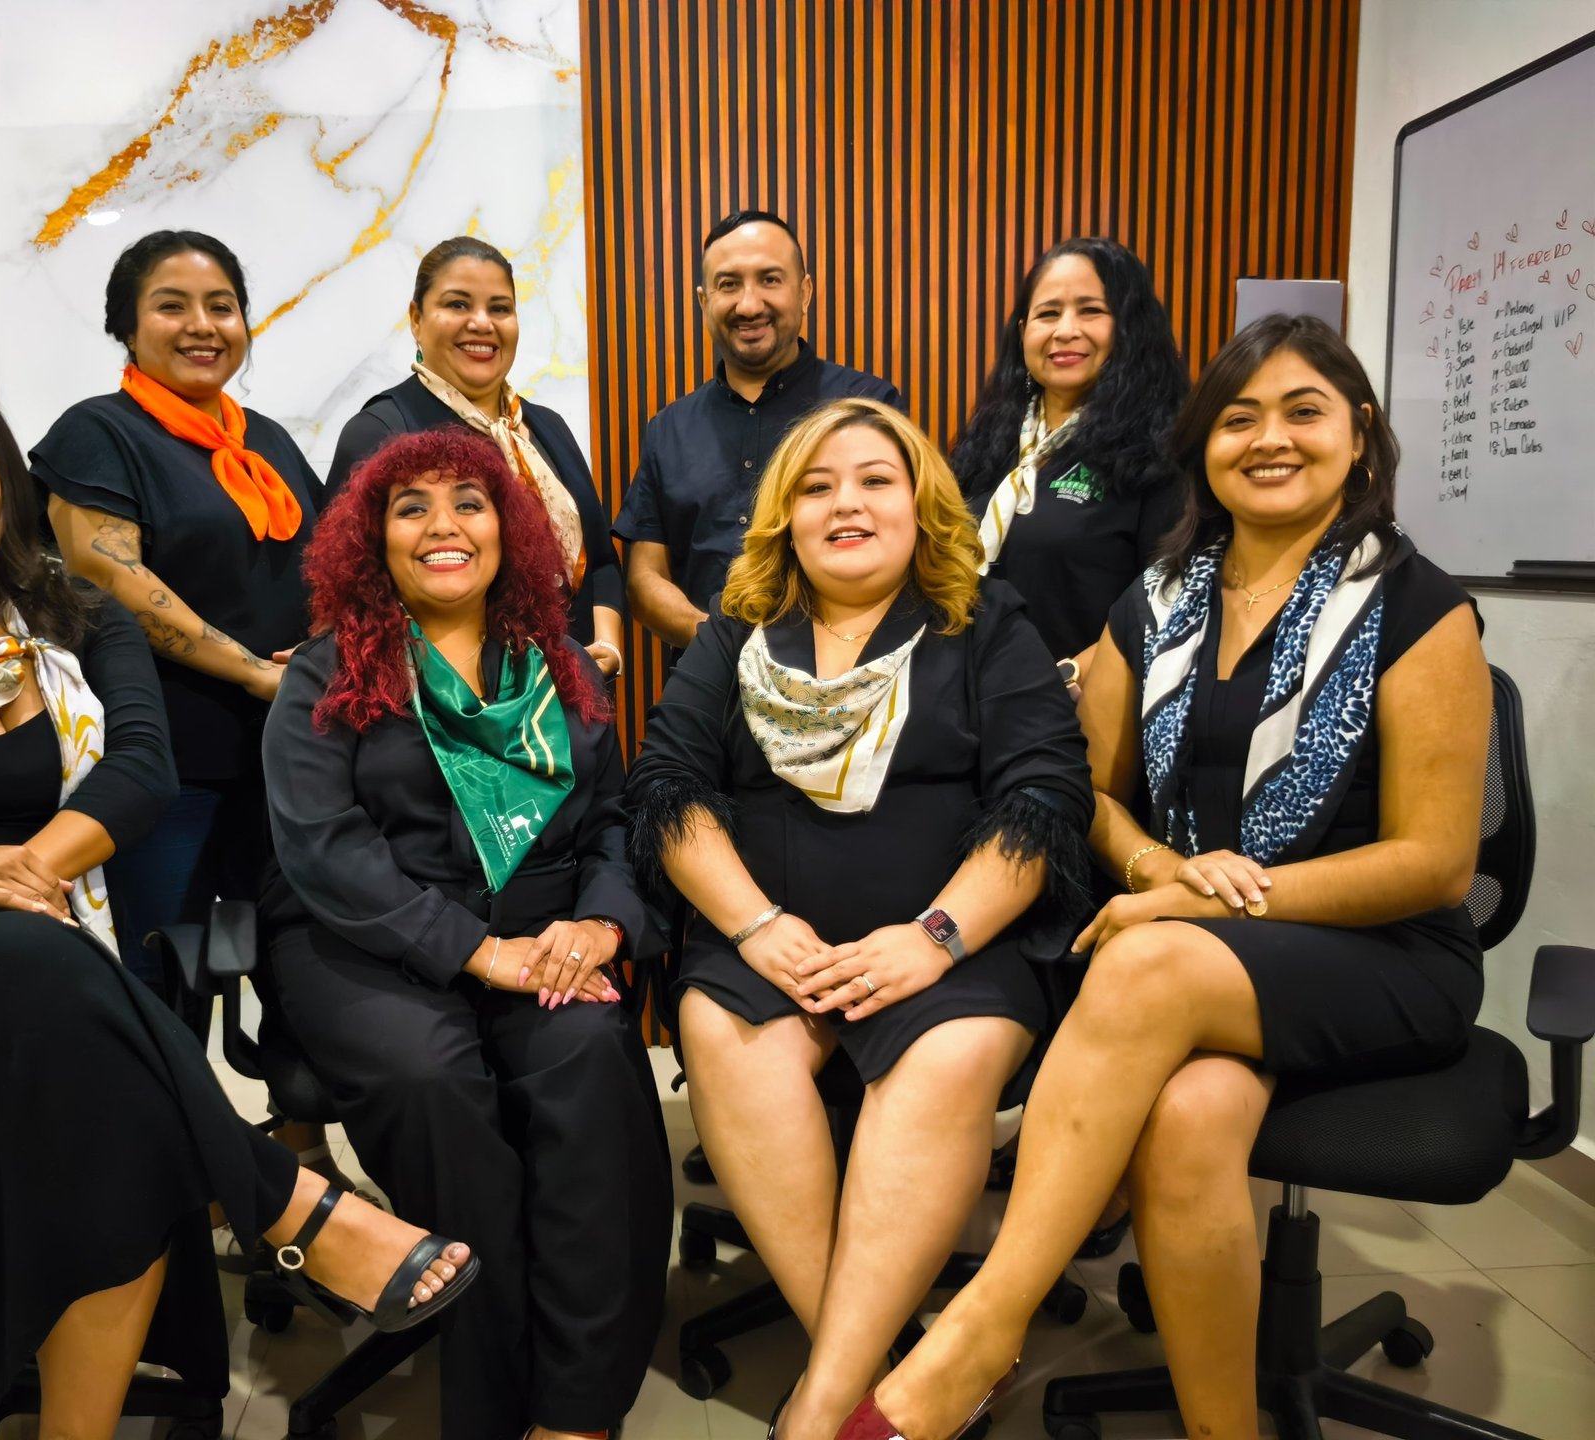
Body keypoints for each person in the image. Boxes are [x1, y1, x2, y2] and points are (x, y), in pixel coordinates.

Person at [0, 368, 476, 1440]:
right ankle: (288, 1206)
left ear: (8, 480)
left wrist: (3, 880)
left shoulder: (75, 614)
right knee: (62, 975)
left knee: (91, 1063)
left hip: (31, 956)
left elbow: (141, 771)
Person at [841, 316, 1490, 1440]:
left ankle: (981, 1331)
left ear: (1361, 435)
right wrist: (1155, 863)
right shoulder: (1150, 603)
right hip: (1199, 954)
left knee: (1143, 962)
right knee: (1189, 1119)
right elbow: (1083, 794)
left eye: (1303, 412)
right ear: (1203, 448)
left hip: (1383, 958)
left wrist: (1208, 900)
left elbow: (1437, 866)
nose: (1268, 439)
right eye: (1238, 419)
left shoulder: (1422, 607)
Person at [625, 397, 1093, 1440]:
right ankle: (884, 1377)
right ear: (783, 516)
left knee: (948, 1058)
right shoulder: (735, 633)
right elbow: (666, 789)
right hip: (768, 941)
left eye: (876, 480)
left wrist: (933, 937)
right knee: (723, 1033)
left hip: (951, 944)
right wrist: (753, 926)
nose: (847, 502)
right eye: (817, 485)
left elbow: (1045, 800)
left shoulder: (987, 621)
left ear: (921, 505)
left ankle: (821, 1410)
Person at [258, 426, 672, 1440]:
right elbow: (324, 850)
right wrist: (478, 953)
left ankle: (576, 1410)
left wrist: (603, 929)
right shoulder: (326, 674)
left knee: (585, 1064)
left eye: (469, 503)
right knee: (435, 1084)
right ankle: (487, 1406)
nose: (444, 526)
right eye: (412, 507)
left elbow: (616, 819)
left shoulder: (566, 666)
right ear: (373, 540)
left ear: (508, 529)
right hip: (367, 940)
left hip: (550, 930)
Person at [32, 229, 324, 991]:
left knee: (285, 967)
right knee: (171, 976)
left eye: (221, 307)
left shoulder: (264, 442)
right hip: (169, 771)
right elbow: (110, 574)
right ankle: (178, 1113)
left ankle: (293, 1115)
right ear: (125, 327)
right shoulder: (99, 433)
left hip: (282, 760)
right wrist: (257, 673)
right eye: (172, 306)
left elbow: (327, 564)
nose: (202, 325)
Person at [328, 235, 625, 677]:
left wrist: (606, 650)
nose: (482, 323)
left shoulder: (544, 427)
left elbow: (601, 560)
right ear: (416, 319)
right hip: (459, 713)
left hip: (576, 696)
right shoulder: (383, 431)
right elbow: (354, 596)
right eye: (458, 304)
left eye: (499, 308)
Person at [614, 209, 904, 654]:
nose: (749, 305)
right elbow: (644, 578)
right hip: (708, 692)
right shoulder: (668, 429)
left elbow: (908, 549)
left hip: (849, 682)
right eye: (728, 284)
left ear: (805, 292)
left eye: (770, 279)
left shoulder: (869, 408)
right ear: (703, 301)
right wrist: (725, 647)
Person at [951, 237, 1187, 699]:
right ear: (1023, 332)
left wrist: (1063, 679)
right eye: (1047, 313)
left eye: (1090, 311)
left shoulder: (1165, 453)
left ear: (1130, 327)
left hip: (1081, 708)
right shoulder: (988, 443)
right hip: (968, 703)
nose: (1065, 330)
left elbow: (1168, 602)